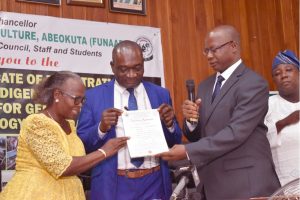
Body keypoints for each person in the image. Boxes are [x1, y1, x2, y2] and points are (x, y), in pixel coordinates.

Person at [157, 25, 281, 199]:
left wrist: (187, 151)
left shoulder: (253, 83)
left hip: (247, 184)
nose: (208, 56)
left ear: (233, 47)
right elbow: (199, 134)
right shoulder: (205, 86)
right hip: (213, 184)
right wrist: (192, 121)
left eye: (213, 50)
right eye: (206, 51)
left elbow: (235, 133)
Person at [77, 40, 182, 200]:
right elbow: (82, 144)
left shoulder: (161, 94)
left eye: (137, 68)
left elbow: (175, 140)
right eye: (124, 69)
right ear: (112, 66)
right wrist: (101, 128)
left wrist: (169, 125)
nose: (131, 74)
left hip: (154, 183)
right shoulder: (93, 97)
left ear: (143, 65)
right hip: (114, 185)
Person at [0, 71, 128, 200]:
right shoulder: (36, 123)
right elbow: (62, 166)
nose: (80, 105)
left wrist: (103, 128)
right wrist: (104, 152)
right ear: (57, 94)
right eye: (76, 99)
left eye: (82, 100)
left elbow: (81, 163)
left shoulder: (70, 126)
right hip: (35, 194)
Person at [264, 50, 300, 186]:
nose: (283, 75)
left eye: (289, 70)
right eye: (277, 74)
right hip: (284, 187)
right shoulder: (267, 106)